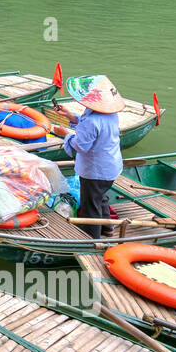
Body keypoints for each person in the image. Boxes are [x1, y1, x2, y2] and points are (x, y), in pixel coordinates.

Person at [61, 75, 125, 234]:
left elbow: (80, 146)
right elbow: (89, 127)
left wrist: (65, 135)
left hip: (95, 170)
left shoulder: (92, 121)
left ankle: (93, 238)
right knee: (100, 197)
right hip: (110, 167)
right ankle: (107, 228)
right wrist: (70, 116)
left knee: (90, 205)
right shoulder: (110, 113)